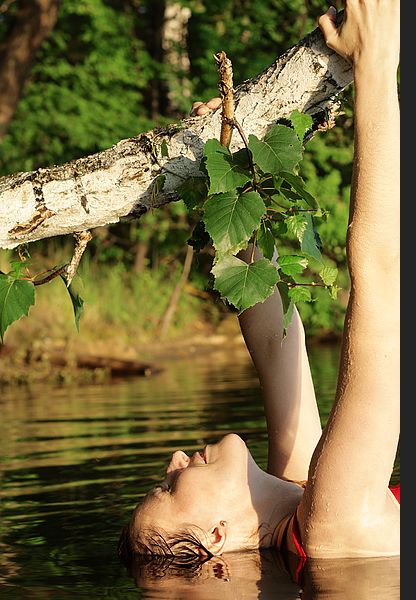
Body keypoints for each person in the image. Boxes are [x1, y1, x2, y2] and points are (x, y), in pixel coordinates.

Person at [119, 0, 400, 566]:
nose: (175, 459)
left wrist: (225, 155)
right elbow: (381, 278)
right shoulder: (329, 521)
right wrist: (375, 61)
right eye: (170, 487)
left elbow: (276, 346)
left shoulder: (300, 495)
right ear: (217, 536)